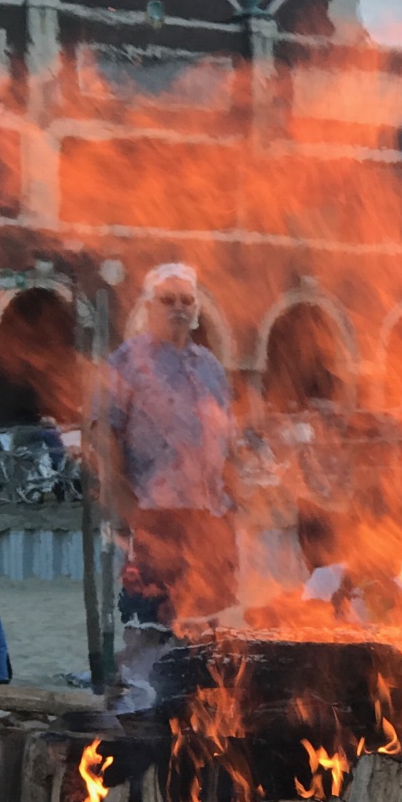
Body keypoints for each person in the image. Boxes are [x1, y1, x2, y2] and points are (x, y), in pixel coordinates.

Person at [108, 262, 237, 633]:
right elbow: (105, 436)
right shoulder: (127, 362)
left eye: (186, 300)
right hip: (156, 513)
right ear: (149, 307)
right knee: (153, 623)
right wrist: (126, 507)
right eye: (168, 300)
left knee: (208, 623)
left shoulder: (211, 366)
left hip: (210, 514)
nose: (179, 307)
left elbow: (225, 437)